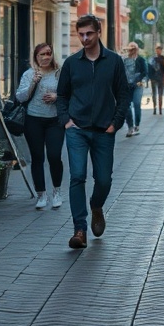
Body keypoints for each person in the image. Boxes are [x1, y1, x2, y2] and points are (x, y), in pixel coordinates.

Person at [56, 15, 130, 249]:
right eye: (81, 34)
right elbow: (62, 96)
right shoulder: (71, 63)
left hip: (103, 131)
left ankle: (96, 206)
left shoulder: (114, 61)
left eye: (89, 33)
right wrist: (66, 121)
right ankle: (80, 230)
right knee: (77, 176)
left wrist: (115, 124)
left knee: (104, 180)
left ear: (98, 32)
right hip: (76, 129)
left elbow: (123, 95)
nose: (85, 38)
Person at [15, 42, 65, 211]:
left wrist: (57, 96)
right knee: (37, 157)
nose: (45, 57)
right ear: (36, 57)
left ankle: (57, 192)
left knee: (54, 155)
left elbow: (70, 93)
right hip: (33, 120)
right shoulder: (30, 74)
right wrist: (32, 84)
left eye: (48, 53)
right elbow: (20, 97)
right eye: (41, 54)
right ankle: (41, 194)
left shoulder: (59, 73)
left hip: (55, 120)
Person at [122, 42, 149, 137]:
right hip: (127, 85)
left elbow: (145, 72)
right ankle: (130, 126)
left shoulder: (141, 60)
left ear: (137, 49)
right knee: (126, 105)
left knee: (137, 103)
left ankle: (136, 125)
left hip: (138, 84)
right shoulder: (125, 60)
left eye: (134, 49)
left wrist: (139, 80)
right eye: (130, 49)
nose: (132, 50)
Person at [149, 45, 164, 114]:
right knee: (159, 94)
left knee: (155, 94)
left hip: (155, 78)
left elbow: (149, 68)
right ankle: (158, 109)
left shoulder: (152, 59)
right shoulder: (163, 58)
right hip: (160, 78)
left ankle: (156, 109)